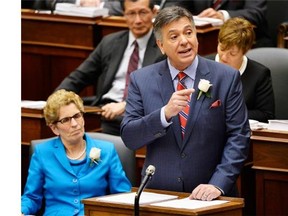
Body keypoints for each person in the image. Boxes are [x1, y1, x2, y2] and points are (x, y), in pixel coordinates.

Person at [121, 6, 250, 200]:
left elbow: (238, 136)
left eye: (188, 33)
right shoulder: (141, 80)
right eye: (173, 37)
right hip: (159, 195)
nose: (184, 41)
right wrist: (164, 114)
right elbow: (130, 137)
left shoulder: (226, 77)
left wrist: (218, 184)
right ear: (161, 45)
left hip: (210, 195)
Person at [56, 0, 165, 136]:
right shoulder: (110, 42)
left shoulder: (163, 47)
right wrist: (55, 100)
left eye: (142, 13)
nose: (137, 20)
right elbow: (79, 77)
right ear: (123, 14)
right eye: (131, 13)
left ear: (154, 12)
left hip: (139, 113)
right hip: (104, 110)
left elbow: (160, 91)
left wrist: (126, 105)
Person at [21, 89, 131, 215]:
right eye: (66, 120)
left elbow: (122, 196)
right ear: (54, 128)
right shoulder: (42, 153)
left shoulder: (107, 151)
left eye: (77, 116)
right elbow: (32, 198)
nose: (74, 124)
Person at [210, 17, 275, 122]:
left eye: (232, 53)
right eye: (222, 49)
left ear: (244, 51)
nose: (224, 57)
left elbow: (266, 114)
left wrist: (229, 113)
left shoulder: (259, 74)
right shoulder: (203, 65)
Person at [158, 0, 273, 47]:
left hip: (247, 42)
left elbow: (256, 13)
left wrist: (223, 16)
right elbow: (175, 4)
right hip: (201, 40)